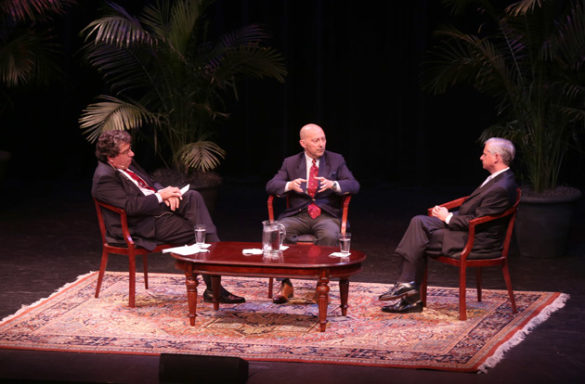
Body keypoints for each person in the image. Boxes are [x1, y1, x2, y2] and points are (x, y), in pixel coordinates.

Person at [91, 130, 245, 304]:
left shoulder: (127, 164)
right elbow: (131, 207)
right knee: (198, 233)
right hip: (141, 224)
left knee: (192, 197)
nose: (132, 153)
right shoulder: (104, 178)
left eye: (130, 148)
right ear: (111, 157)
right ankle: (215, 287)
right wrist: (160, 196)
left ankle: (213, 284)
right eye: (126, 151)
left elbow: (150, 182)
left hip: (156, 210)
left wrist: (167, 192)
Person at [378, 137, 518, 313]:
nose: (481, 157)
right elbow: (473, 208)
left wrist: (448, 217)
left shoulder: (502, 187)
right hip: (468, 228)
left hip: (477, 240)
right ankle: (407, 287)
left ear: (496, 157)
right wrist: (444, 214)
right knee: (418, 221)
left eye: (484, 154)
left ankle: (409, 295)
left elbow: (478, 219)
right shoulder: (499, 179)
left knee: (419, 239)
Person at [266, 123, 360, 303]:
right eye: (315, 140)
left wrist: (334, 185)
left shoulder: (336, 160)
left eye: (323, 139)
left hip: (326, 215)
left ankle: (321, 283)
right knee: (277, 231)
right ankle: (285, 283)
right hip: (298, 215)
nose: (321, 144)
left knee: (330, 234)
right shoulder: (291, 162)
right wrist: (289, 185)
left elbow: (354, 185)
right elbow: (271, 185)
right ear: (303, 143)